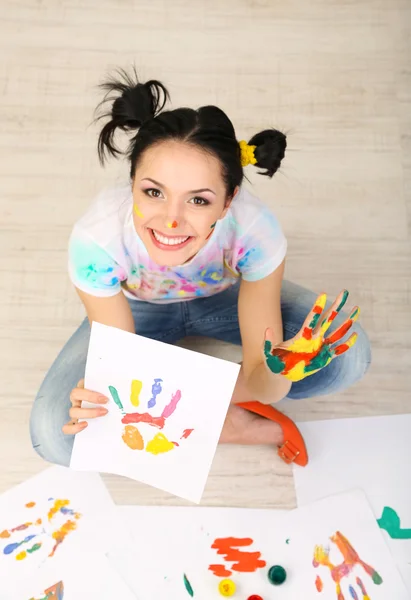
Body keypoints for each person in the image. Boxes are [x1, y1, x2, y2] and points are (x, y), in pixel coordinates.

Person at [30, 69, 371, 469]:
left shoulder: (256, 230)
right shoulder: (96, 240)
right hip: (138, 311)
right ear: (133, 183)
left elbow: (265, 378)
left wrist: (277, 371)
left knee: (348, 356)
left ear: (228, 202)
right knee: (54, 435)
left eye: (198, 201)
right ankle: (225, 423)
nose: (170, 221)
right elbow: (125, 370)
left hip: (224, 299)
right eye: (153, 192)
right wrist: (102, 395)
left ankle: (195, 414)